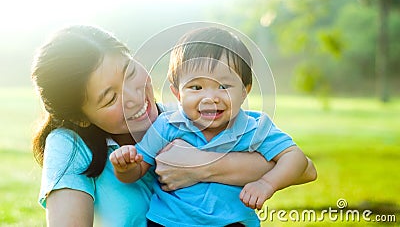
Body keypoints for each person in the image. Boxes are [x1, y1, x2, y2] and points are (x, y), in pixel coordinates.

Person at [31, 25, 317, 227]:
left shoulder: (184, 117)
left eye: (130, 72)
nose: (134, 98)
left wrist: (199, 165)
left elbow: (304, 169)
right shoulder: (68, 145)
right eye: (110, 98)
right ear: (81, 116)